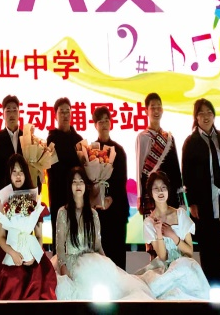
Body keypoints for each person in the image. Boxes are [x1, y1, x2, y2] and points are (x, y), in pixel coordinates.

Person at [55, 167, 152, 301]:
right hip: (71, 262)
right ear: (69, 186)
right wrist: (63, 269)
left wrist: (107, 264)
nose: (78, 185)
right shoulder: (63, 212)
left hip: (90, 260)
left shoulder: (93, 214)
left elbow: (97, 246)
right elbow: (60, 247)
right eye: (74, 182)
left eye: (81, 181)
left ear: (86, 185)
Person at [182, 98, 220, 285]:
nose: (206, 116)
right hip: (205, 201)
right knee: (208, 244)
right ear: (196, 117)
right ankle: (212, 286)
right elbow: (187, 174)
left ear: (214, 115)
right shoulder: (191, 142)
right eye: (201, 113)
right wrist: (192, 202)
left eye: (209, 112)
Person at [0, 154, 56, 300]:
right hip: (9, 251)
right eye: (14, 172)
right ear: (9, 175)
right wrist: (12, 253)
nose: (18, 176)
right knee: (13, 279)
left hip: (32, 252)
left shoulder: (35, 202)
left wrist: (34, 255)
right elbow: (1, 237)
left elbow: (39, 236)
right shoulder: (1, 204)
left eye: (21, 171)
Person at [135, 171, 210, 300]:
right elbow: (163, 256)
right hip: (164, 269)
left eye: (163, 187)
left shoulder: (180, 214)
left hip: (185, 265)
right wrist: (159, 232)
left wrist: (172, 235)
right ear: (151, 193)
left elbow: (189, 252)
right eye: (156, 188)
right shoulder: (149, 222)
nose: (160, 191)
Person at [92, 105, 130, 270]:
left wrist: (110, 197)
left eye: (106, 120)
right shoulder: (91, 150)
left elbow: (122, 179)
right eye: (100, 121)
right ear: (95, 125)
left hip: (117, 210)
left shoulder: (119, 150)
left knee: (118, 255)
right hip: (98, 212)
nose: (104, 124)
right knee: (101, 255)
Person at [136, 93, 183, 215]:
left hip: (170, 191)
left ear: (162, 110)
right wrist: (140, 196)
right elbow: (140, 169)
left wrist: (181, 197)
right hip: (152, 192)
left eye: (159, 107)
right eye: (152, 107)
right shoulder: (142, 137)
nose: (156, 111)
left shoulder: (169, 138)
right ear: (146, 111)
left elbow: (176, 169)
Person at [46, 97, 83, 251]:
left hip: (75, 194)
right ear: (55, 115)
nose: (65, 115)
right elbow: (48, 167)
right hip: (57, 193)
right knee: (59, 233)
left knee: (76, 233)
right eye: (62, 112)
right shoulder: (51, 139)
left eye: (68, 111)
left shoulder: (78, 140)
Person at [0, 94, 24, 194]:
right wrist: (9, 180)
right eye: (8, 110)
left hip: (25, 189)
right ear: (3, 114)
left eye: (14, 110)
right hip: (4, 189)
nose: (11, 114)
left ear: (19, 113)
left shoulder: (27, 137)